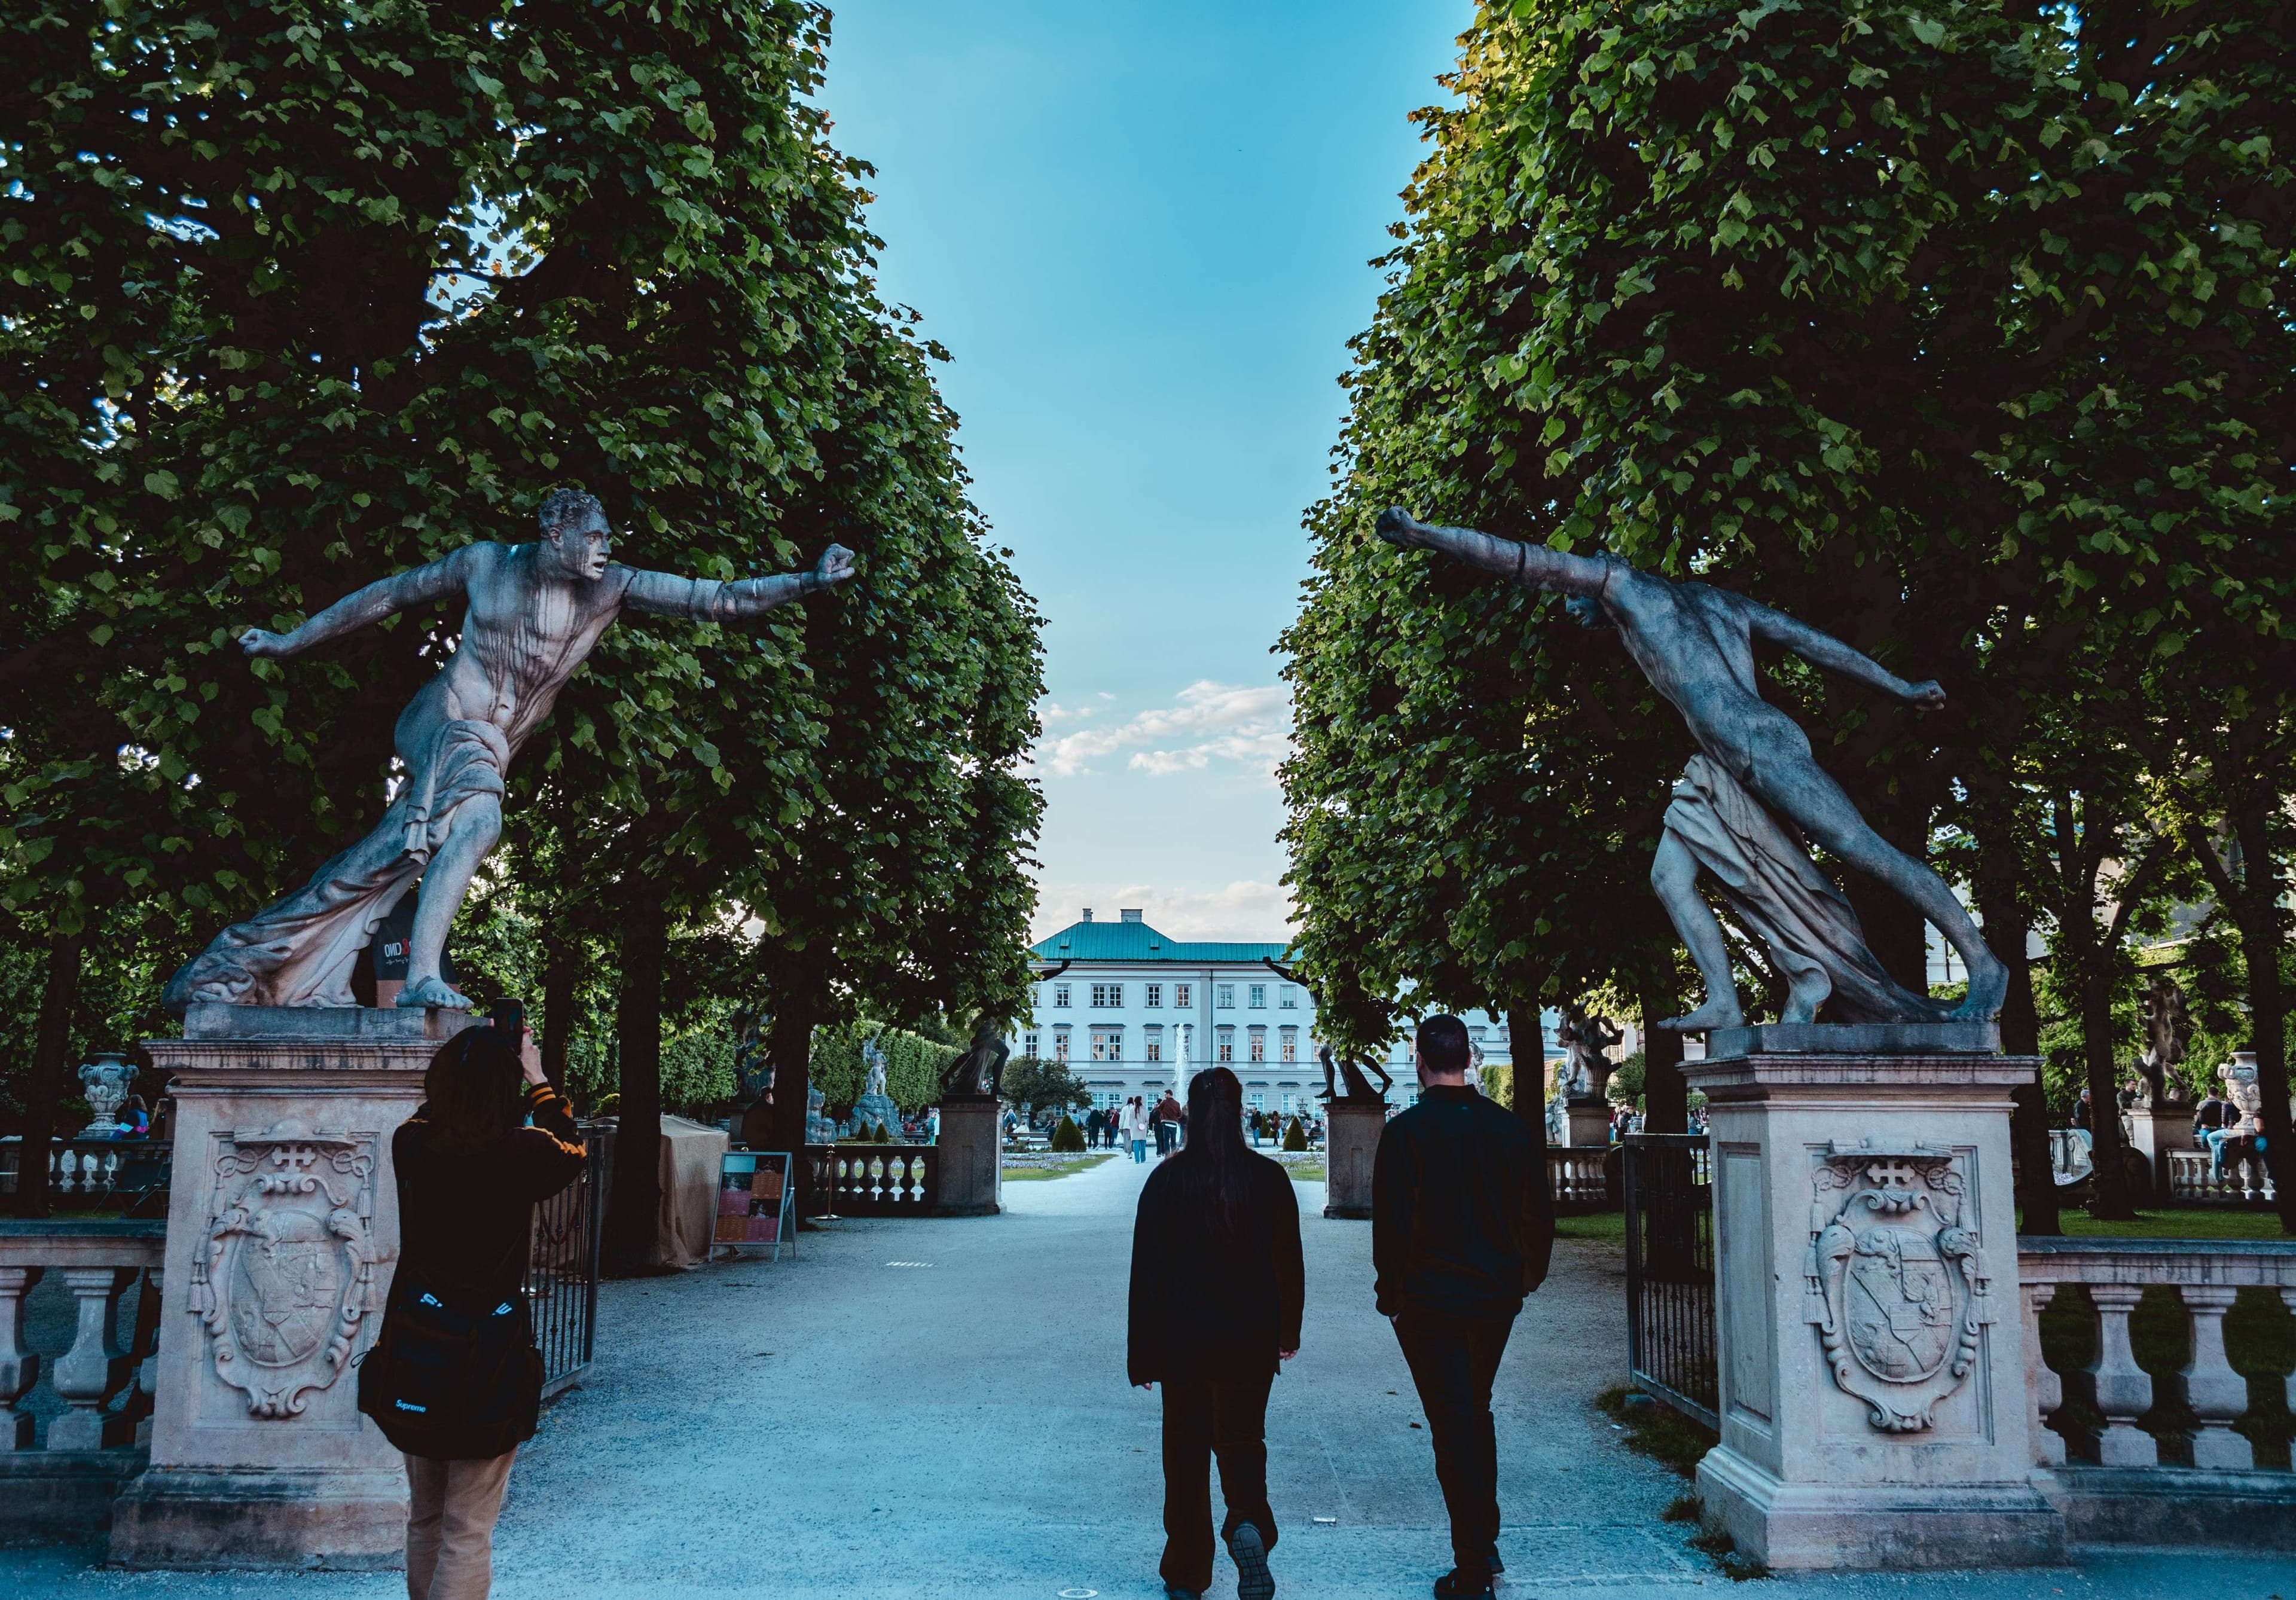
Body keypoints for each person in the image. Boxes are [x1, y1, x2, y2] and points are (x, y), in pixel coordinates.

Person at [358, 1015, 586, 1600]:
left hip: (420, 1344)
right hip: (491, 1351)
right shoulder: (524, 1151)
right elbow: (574, 1147)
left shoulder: (412, 1145)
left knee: (425, 1518)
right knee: (468, 1527)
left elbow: (428, 1113)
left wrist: (467, 1062)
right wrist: (534, 1076)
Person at [1373, 1014, 1554, 1600]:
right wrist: (1524, 1279)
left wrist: (1391, 1298)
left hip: (1429, 1302)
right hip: (1494, 1299)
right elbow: (1536, 1216)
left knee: (1455, 1426)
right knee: (1474, 1412)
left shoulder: (1405, 1134)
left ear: (1420, 1060)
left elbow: (1393, 1228)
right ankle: (1485, 1540)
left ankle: (1473, 1567)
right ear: (1470, 1059)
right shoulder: (1511, 1130)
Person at [1129, 1067, 1303, 1600]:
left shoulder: (1166, 1180)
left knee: (1184, 1455)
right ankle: (1248, 1522)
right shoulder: (1269, 1178)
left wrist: (1143, 1355)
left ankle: (1187, 1571)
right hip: (1249, 1340)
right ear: (1240, 1110)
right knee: (1243, 1441)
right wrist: (1287, 1331)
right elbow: (1288, 1265)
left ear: (1190, 1115)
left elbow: (1147, 1274)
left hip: (1184, 1341)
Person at [1128, 1096, 1152, 1164]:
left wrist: (1131, 1126)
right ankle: (1143, 1159)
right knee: (1143, 1144)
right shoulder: (1144, 1109)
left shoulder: (1132, 1109)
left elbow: (1129, 1121)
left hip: (1134, 1128)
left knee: (1135, 1144)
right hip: (1142, 1127)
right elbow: (1147, 1119)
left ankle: (1137, 1160)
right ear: (1140, 1101)